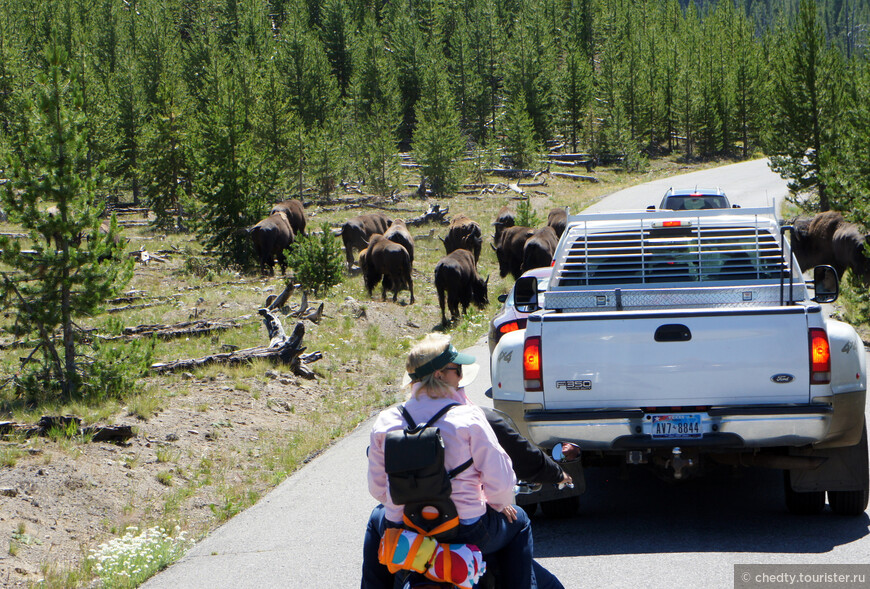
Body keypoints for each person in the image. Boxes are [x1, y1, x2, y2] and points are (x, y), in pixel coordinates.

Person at [362, 333, 564, 589]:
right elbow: (501, 482)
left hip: (405, 529)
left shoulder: (386, 421)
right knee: (520, 522)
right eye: (456, 369)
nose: (460, 375)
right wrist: (499, 505)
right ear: (439, 375)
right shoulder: (469, 418)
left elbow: (377, 489)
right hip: (468, 530)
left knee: (375, 520)